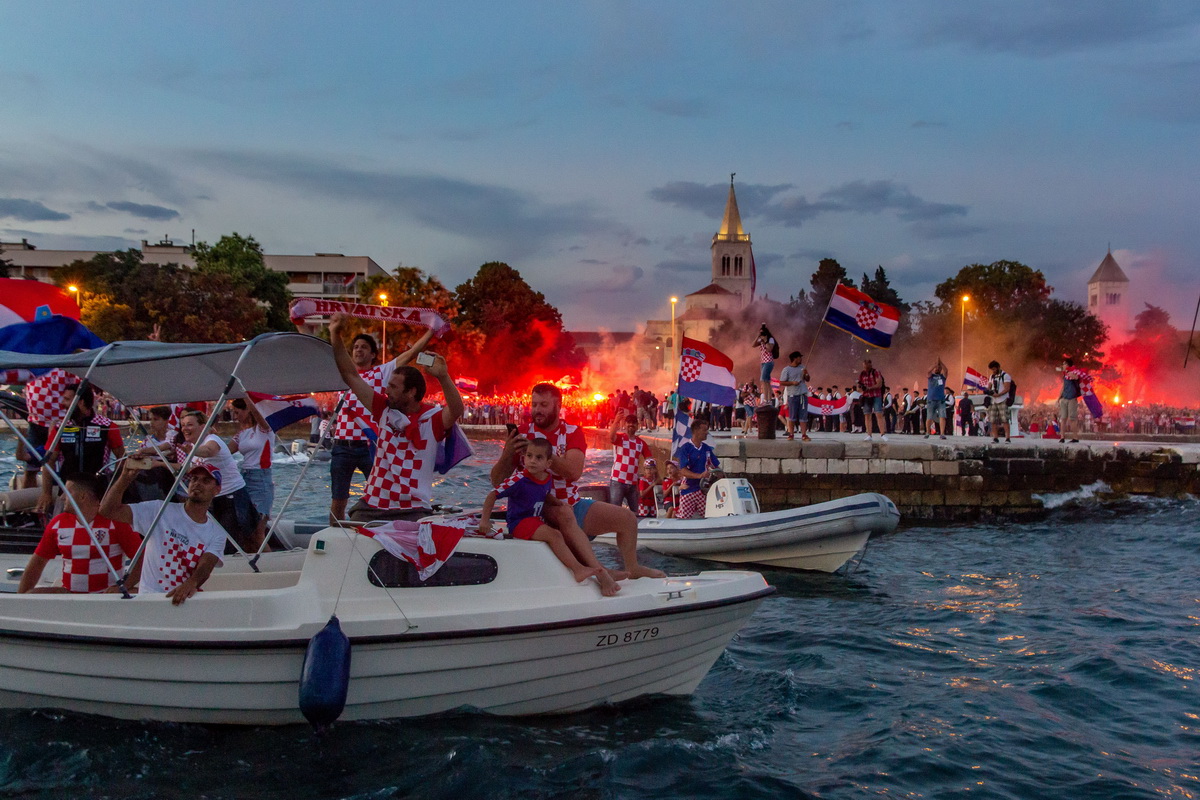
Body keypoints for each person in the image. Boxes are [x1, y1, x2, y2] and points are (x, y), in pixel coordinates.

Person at [490, 382, 665, 579]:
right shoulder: (522, 432)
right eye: (534, 404)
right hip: (537, 506)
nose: (537, 410)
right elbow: (497, 482)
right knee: (562, 513)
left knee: (628, 519)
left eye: (544, 405)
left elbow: (573, 472)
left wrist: (541, 452)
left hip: (571, 502)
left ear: (558, 406)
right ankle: (601, 571)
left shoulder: (572, 432)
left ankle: (633, 568)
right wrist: (508, 453)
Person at [327, 313, 463, 522]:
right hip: (373, 504)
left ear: (411, 392)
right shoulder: (383, 409)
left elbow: (456, 410)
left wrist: (443, 377)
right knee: (341, 509)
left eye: (392, 387)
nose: (386, 390)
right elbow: (350, 375)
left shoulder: (431, 418)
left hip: (413, 507)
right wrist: (335, 335)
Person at [478, 439, 616, 595]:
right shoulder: (518, 480)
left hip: (535, 520)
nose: (532, 461)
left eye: (538, 457)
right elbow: (493, 495)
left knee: (563, 535)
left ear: (548, 463)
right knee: (554, 535)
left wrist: (560, 503)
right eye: (529, 456)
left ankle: (599, 572)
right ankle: (578, 570)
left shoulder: (546, 478)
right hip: (519, 522)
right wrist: (484, 521)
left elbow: (544, 495)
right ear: (523, 458)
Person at [99, 461, 228, 604]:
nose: (197, 483)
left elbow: (206, 564)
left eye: (206, 481)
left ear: (217, 490)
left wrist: (192, 583)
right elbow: (108, 510)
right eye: (194, 479)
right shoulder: (159, 510)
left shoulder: (217, 533)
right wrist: (125, 478)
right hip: (150, 600)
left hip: (183, 601)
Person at [18, 475, 142, 594]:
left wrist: (123, 586)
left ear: (82, 497)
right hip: (70, 595)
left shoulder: (116, 523)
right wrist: (21, 597)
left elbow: (142, 559)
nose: (62, 497)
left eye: (67, 493)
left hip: (105, 596)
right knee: (30, 594)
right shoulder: (58, 523)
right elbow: (38, 562)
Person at [177, 409, 265, 551]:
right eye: (183, 425)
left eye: (189, 425)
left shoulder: (212, 440)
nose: (185, 428)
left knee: (247, 537)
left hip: (233, 496)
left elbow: (209, 451)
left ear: (203, 427)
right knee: (218, 538)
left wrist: (192, 451)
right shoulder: (193, 447)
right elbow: (189, 468)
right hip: (213, 499)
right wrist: (158, 463)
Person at [36, 383, 125, 513]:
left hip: (98, 492)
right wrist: (46, 493)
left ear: (81, 402)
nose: (62, 403)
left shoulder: (107, 426)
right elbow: (49, 461)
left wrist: (114, 487)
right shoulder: (60, 427)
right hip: (66, 492)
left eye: (67, 399)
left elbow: (121, 458)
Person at [228, 398, 276, 520]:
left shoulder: (264, 429)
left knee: (260, 518)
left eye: (237, 412)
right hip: (243, 476)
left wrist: (247, 398)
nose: (235, 417)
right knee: (242, 517)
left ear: (248, 410)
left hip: (260, 477)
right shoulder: (241, 434)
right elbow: (226, 451)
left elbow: (257, 414)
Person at [675, 416, 719, 520]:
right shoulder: (685, 448)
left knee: (709, 516)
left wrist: (718, 476)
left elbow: (716, 466)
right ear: (696, 431)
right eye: (704, 430)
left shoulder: (707, 449)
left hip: (703, 490)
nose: (707, 433)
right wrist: (699, 476)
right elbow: (683, 470)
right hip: (688, 489)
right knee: (684, 517)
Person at [609, 409, 648, 514]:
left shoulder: (641, 443)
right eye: (629, 422)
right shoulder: (620, 438)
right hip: (617, 481)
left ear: (637, 426)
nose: (631, 425)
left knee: (635, 512)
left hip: (633, 483)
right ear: (625, 424)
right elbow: (611, 437)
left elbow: (649, 460)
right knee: (615, 511)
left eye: (633, 423)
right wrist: (616, 421)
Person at [778, 351, 811, 441]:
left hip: (802, 395)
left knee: (803, 416)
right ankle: (791, 434)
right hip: (792, 395)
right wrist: (792, 383)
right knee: (792, 416)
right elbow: (782, 382)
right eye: (799, 357)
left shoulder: (803, 368)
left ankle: (804, 434)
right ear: (795, 358)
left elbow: (807, 379)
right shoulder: (786, 370)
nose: (801, 359)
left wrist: (806, 373)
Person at [858, 360, 887, 441]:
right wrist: (861, 387)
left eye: (866, 366)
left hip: (876, 395)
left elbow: (879, 384)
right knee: (867, 415)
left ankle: (882, 434)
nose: (865, 368)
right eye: (864, 366)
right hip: (866, 396)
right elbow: (858, 386)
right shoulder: (862, 373)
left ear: (870, 365)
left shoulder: (876, 372)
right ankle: (869, 435)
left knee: (879, 414)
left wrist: (869, 388)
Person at [986, 360, 1014, 443]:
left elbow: (1007, 388)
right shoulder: (992, 376)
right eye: (992, 369)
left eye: (994, 369)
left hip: (1002, 400)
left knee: (1005, 419)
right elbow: (989, 386)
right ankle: (995, 437)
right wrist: (988, 391)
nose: (993, 371)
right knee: (993, 420)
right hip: (993, 401)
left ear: (998, 367)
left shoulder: (1005, 376)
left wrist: (998, 395)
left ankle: (1007, 437)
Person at [1057, 357, 1084, 444]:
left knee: (1072, 418)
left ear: (1068, 365)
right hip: (1064, 398)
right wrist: (1058, 398)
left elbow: (1076, 377)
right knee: (1063, 418)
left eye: (1064, 364)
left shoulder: (1073, 373)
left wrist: (1069, 372)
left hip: (1072, 398)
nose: (1063, 365)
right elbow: (1063, 387)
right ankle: (1062, 437)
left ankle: (1075, 437)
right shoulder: (1064, 375)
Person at [925, 359, 948, 439]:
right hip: (931, 400)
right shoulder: (931, 376)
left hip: (941, 400)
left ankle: (942, 433)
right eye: (936, 368)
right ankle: (927, 432)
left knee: (942, 417)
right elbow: (928, 371)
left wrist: (941, 363)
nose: (937, 369)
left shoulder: (942, 377)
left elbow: (946, 370)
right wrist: (935, 364)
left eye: (939, 368)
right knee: (929, 417)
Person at [753, 324, 778, 400]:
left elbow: (769, 349)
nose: (761, 334)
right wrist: (758, 336)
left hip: (769, 361)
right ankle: (768, 399)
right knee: (766, 381)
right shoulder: (761, 340)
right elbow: (753, 345)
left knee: (763, 379)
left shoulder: (770, 339)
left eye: (762, 333)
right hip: (763, 362)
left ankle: (766, 399)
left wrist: (765, 340)